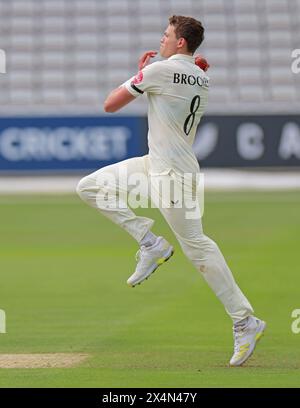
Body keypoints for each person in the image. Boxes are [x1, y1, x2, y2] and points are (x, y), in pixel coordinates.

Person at [77, 15, 266, 367]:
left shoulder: (160, 71)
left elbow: (110, 104)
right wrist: (149, 74)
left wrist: (140, 74)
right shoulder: (201, 75)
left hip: (175, 176)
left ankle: (245, 321)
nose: (161, 40)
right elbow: (187, 77)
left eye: (166, 36)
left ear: (180, 42)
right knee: (90, 187)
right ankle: (150, 243)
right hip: (154, 164)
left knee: (198, 247)